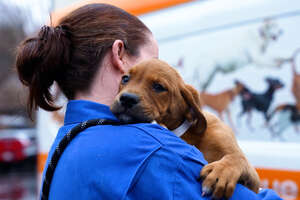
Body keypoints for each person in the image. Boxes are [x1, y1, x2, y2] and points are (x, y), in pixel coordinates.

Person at [16, 3, 282, 200]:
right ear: (119, 54)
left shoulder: (65, 142)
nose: (156, 67)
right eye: (151, 58)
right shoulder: (153, 151)